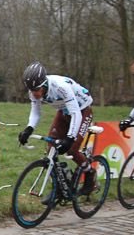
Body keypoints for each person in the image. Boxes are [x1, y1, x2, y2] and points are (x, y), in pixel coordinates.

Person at [18, 61, 96, 196]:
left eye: (37, 90)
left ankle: (90, 173)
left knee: (71, 149)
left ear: (44, 84)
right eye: (31, 90)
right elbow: (36, 112)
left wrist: (70, 137)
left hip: (82, 111)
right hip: (63, 112)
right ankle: (59, 188)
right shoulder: (34, 90)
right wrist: (29, 129)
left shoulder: (61, 87)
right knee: (51, 148)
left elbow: (75, 113)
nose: (34, 93)